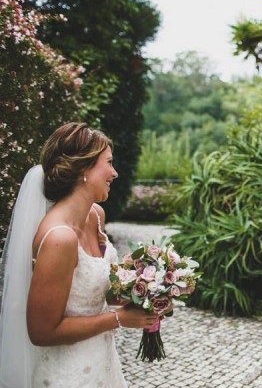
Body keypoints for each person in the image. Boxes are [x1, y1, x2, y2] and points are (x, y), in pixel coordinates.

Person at [0, 123, 159, 388]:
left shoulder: (96, 216)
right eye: (108, 163)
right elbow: (41, 331)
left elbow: (94, 290)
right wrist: (119, 319)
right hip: (68, 375)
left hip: (103, 364)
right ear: (84, 169)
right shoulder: (59, 238)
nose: (115, 173)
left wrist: (148, 292)